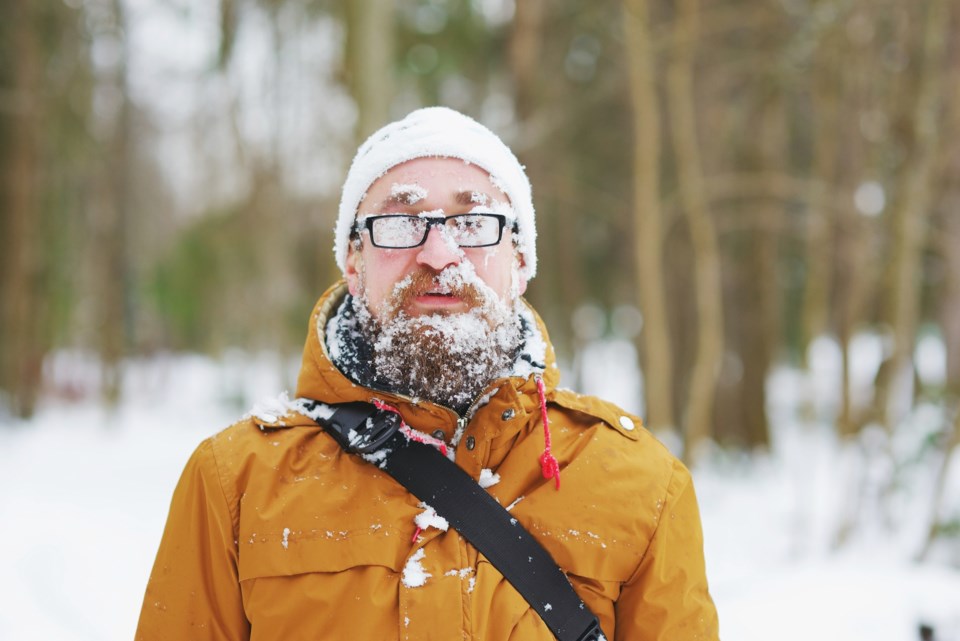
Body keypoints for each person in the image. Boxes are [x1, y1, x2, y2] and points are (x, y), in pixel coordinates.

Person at [136, 107, 719, 641]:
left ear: (519, 263)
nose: (439, 253)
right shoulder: (235, 484)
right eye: (399, 221)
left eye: (473, 222)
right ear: (354, 262)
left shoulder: (642, 485)